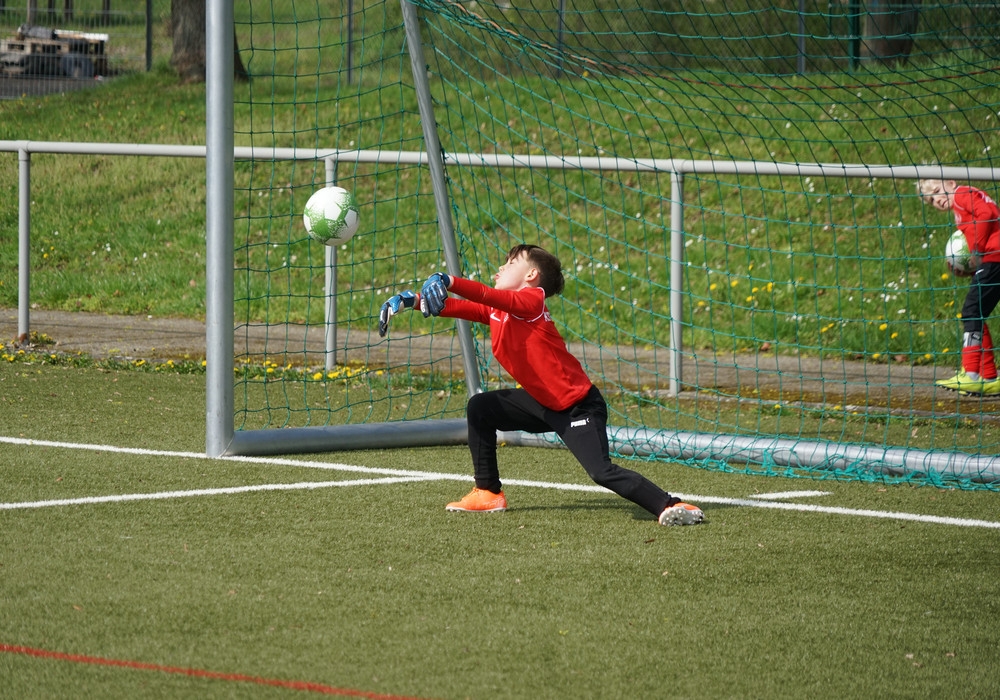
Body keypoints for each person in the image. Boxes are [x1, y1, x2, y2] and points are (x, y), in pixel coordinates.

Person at [378, 244, 704, 526]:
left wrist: (448, 280)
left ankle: (671, 504)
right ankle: (488, 492)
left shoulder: (532, 302)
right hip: (541, 403)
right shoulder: (499, 311)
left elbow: (485, 294)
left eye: (510, 263)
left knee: (600, 472)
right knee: (481, 407)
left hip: (577, 407)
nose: (500, 268)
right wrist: (410, 300)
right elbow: (455, 306)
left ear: (531, 275)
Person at [919, 179, 1000, 396]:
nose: (938, 200)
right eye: (932, 200)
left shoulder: (962, 194)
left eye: (938, 191)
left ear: (950, 182)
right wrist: (970, 267)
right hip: (993, 259)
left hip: (993, 257)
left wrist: (976, 250)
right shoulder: (962, 201)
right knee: (977, 313)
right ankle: (989, 377)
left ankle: (971, 373)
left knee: (971, 312)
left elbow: (986, 214)